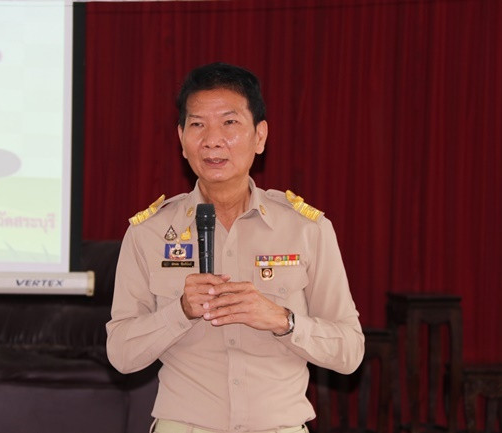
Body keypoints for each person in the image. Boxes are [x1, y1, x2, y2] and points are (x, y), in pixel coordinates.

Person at [106, 62, 364, 433]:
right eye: (198, 125)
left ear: (260, 136)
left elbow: (349, 352)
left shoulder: (307, 229)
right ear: (181, 139)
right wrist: (180, 311)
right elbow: (121, 354)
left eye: (229, 123)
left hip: (279, 426)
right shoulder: (149, 232)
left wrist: (283, 320)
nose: (212, 140)